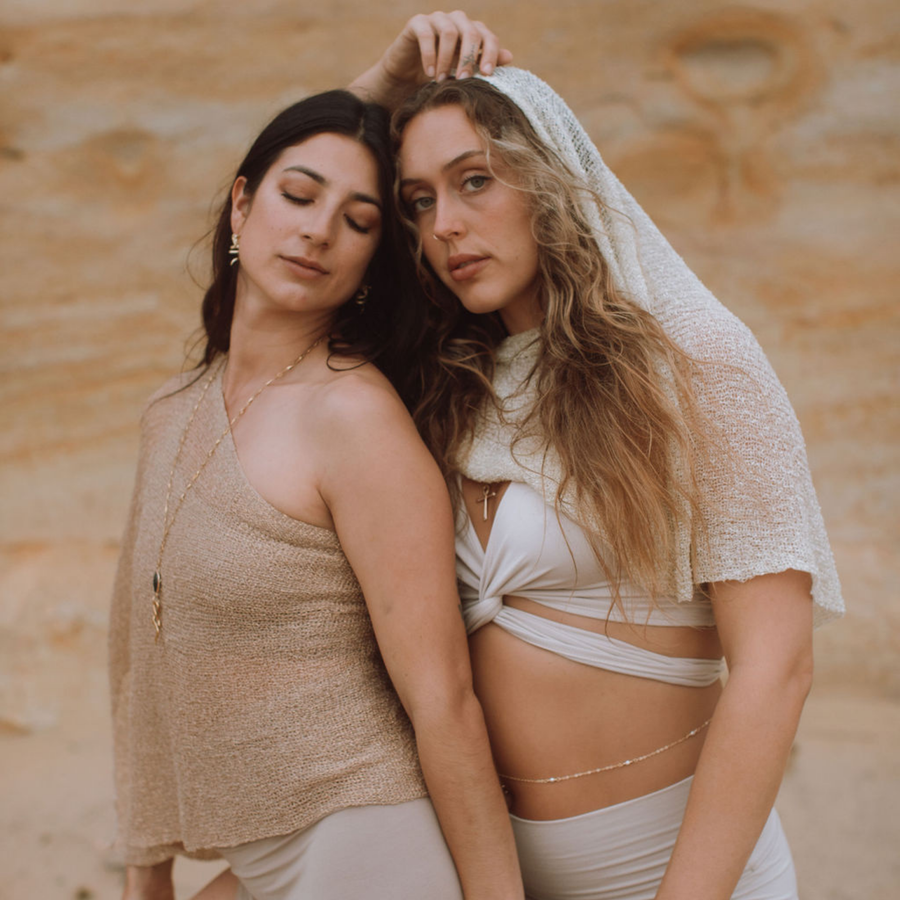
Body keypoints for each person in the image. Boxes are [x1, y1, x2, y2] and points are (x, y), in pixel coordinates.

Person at [362, 61, 845, 900]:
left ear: (551, 179)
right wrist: (379, 87)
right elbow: (284, 245)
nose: (446, 225)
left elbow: (776, 668)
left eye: (475, 180)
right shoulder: (447, 389)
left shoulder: (694, 364)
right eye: (419, 201)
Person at [108, 82, 524, 900]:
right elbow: (136, 654)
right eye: (298, 196)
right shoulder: (173, 412)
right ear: (241, 206)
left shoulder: (354, 420)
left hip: (365, 838)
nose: (319, 230)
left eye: (359, 221)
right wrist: (145, 871)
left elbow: (443, 699)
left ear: (372, 260)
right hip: (260, 858)